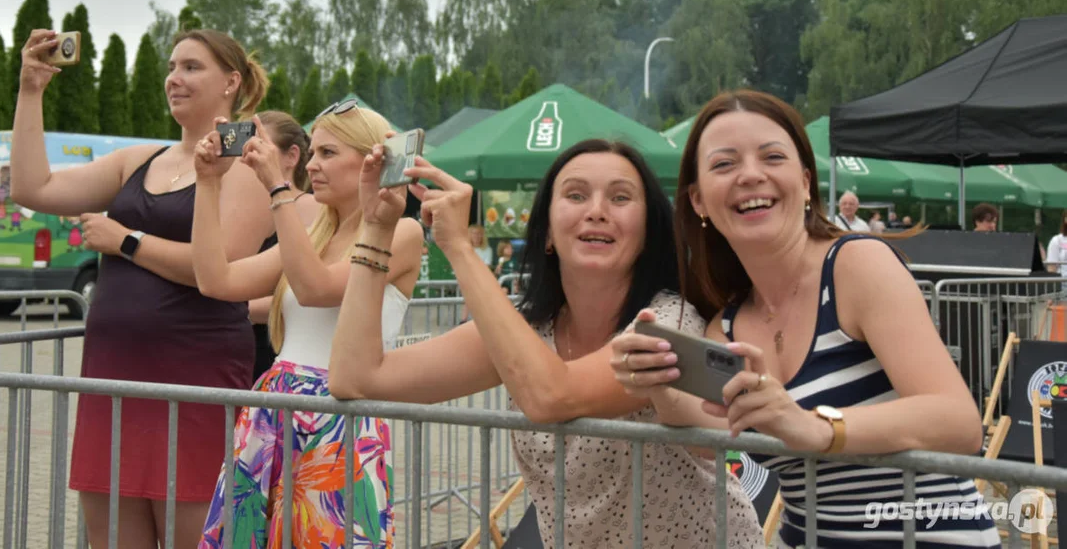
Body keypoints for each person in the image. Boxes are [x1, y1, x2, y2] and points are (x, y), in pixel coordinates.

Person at [610, 90, 1000, 548]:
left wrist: (817, 427)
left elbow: (958, 422)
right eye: (724, 164)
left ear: (806, 180)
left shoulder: (856, 267)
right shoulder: (727, 326)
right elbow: (712, 436)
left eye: (772, 156)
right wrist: (659, 383)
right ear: (697, 201)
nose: (751, 175)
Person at [328, 139, 763, 549]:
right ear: (548, 234)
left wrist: (459, 247)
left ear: (650, 231)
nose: (597, 211)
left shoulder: (670, 322)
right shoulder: (527, 331)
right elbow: (357, 376)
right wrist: (376, 225)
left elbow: (553, 396)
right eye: (575, 195)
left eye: (620, 197)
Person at [10, 28, 273, 548]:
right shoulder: (140, 159)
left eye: (192, 67)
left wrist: (126, 240)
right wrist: (31, 90)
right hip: (113, 378)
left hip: (192, 381)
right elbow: (31, 188)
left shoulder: (247, 165)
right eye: (172, 67)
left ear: (231, 82)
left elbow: (219, 270)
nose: (175, 78)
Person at [192, 100, 423, 549]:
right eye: (312, 153)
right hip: (272, 409)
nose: (313, 165)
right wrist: (207, 184)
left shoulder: (403, 233)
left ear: (372, 159)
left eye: (328, 153)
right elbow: (216, 280)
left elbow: (317, 288)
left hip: (340, 418)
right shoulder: (315, 234)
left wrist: (277, 185)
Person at [248, 110, 321, 383]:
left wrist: (231, 310)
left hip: (279, 357)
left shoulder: (314, 210)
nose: (249, 158)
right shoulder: (239, 211)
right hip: (234, 349)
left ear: (292, 156)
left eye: (259, 147)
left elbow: (311, 290)